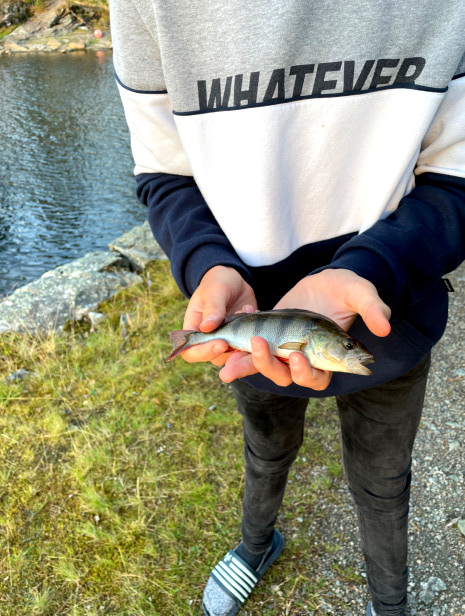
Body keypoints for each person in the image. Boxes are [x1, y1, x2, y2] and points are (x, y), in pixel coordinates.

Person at [109, 2, 465, 614]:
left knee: (385, 482)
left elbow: (457, 174)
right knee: (265, 452)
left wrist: (377, 266)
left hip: (395, 315)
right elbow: (164, 172)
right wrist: (207, 264)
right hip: (251, 327)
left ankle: (390, 602)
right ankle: (255, 544)